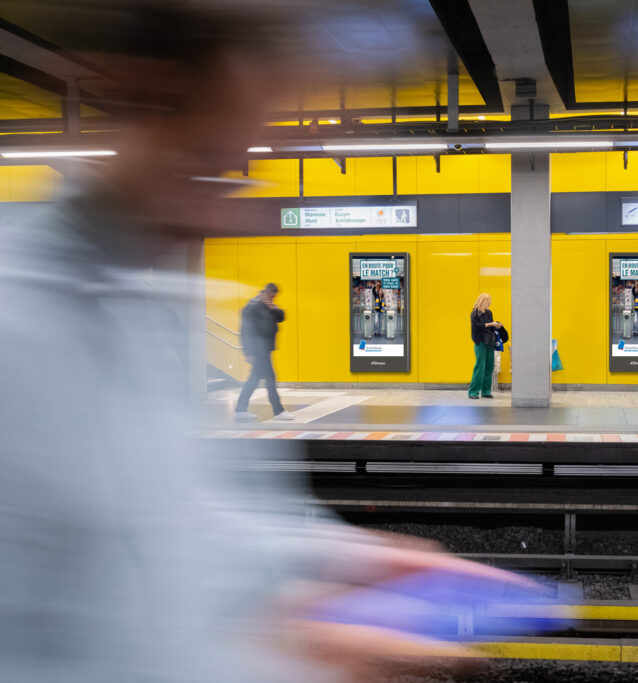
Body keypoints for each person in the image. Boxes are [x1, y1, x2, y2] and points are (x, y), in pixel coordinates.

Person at [0, 6, 525, 682]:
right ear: (146, 90)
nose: (237, 207)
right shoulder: (20, 327)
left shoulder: (140, 309)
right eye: (215, 161)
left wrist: (341, 561)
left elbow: (180, 521)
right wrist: (305, 659)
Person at [235, 283, 292, 421]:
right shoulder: (252, 308)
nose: (272, 299)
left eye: (274, 297)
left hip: (264, 349)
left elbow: (281, 317)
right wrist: (248, 353)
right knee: (270, 379)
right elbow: (245, 331)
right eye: (271, 296)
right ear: (264, 293)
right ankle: (278, 411)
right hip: (258, 350)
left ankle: (240, 409)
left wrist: (273, 307)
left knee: (254, 379)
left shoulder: (267, 306)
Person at [469, 292, 502, 399]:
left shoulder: (489, 312)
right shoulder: (475, 313)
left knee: (489, 367)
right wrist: (491, 324)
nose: (490, 303)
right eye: (488, 301)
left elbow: (489, 326)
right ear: (483, 301)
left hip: (490, 342)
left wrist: (496, 325)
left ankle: (486, 391)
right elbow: (476, 326)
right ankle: (473, 392)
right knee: (480, 367)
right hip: (480, 343)